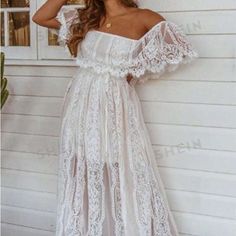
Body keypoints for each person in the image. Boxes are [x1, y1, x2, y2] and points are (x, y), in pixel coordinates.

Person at [32, 0, 198, 235]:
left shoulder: (143, 17)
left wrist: (133, 70)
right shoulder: (85, 18)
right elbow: (40, 17)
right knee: (83, 170)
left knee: (122, 168)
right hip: (80, 107)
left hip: (114, 106)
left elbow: (179, 46)